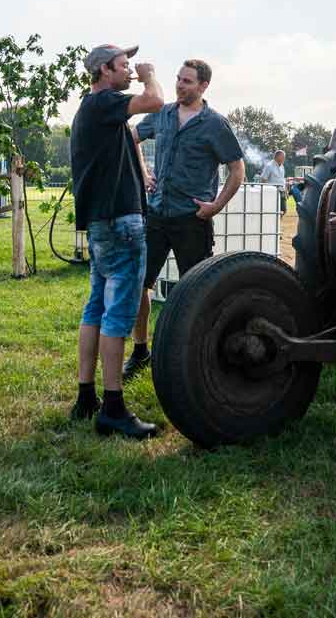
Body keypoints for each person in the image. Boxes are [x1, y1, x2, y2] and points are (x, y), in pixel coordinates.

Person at [122, 58, 245, 379]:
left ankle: (202, 354)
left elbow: (237, 169)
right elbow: (131, 137)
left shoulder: (214, 124)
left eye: (187, 81)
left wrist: (216, 206)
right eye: (178, 79)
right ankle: (140, 350)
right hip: (157, 215)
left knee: (200, 292)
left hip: (193, 220)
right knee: (139, 285)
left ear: (204, 86)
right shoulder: (162, 115)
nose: (179, 85)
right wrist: (144, 172)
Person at [69, 43, 163, 439]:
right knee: (117, 315)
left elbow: (130, 142)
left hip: (102, 222)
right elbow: (155, 101)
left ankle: (86, 396)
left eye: (131, 65)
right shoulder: (103, 102)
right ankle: (113, 407)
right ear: (104, 70)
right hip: (120, 223)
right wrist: (149, 73)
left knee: (95, 307)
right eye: (123, 65)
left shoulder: (91, 110)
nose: (129, 71)